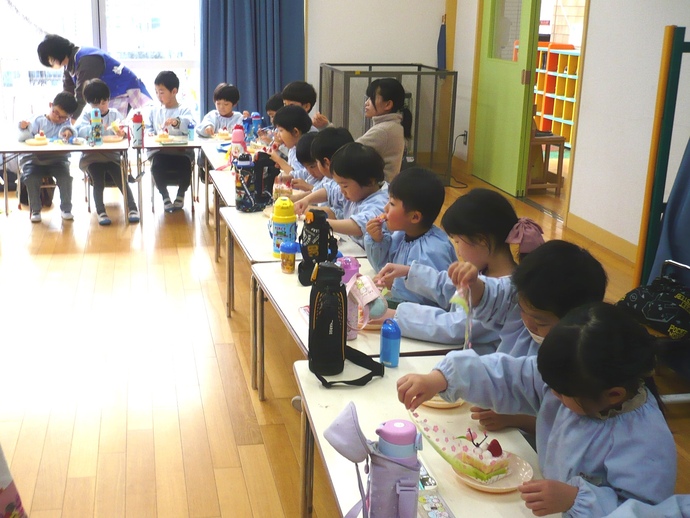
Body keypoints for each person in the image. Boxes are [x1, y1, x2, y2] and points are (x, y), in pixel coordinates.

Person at [397, 302, 677, 517]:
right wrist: (443, 378)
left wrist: (576, 499)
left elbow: (643, 510)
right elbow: (508, 375)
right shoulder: (574, 380)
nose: (551, 394)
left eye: (560, 393)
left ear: (613, 394)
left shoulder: (647, 443)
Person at [376, 188, 543, 350]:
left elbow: (455, 327)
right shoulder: (484, 272)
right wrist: (409, 272)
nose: (458, 251)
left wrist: (396, 315)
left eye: (457, 242)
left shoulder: (509, 297)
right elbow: (452, 286)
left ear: (481, 240)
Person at [364, 167, 457, 306]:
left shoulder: (433, 250)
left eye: (392, 203)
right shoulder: (401, 235)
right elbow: (382, 267)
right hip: (403, 307)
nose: (385, 208)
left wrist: (395, 284)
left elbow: (439, 297)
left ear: (414, 217)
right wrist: (377, 240)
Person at [295, 142, 388, 248]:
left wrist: (321, 223)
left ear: (370, 181)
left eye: (344, 186)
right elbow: (329, 191)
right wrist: (306, 200)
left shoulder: (381, 202)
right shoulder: (357, 191)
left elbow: (358, 226)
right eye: (339, 185)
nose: (341, 191)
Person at [37, 34, 152, 119]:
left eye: (51, 61)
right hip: (108, 97)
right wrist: (60, 111)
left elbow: (81, 96)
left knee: (114, 130)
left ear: (57, 54)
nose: (52, 65)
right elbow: (68, 94)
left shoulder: (86, 59)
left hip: (124, 92)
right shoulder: (69, 64)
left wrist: (70, 122)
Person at [75, 79, 140, 225]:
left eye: (103, 103)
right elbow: (78, 131)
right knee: (98, 181)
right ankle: (101, 211)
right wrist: (92, 128)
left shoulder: (115, 114)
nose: (100, 107)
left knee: (121, 178)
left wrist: (122, 132)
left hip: (112, 157)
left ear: (108, 100)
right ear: (89, 103)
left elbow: (124, 130)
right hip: (93, 158)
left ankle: (133, 208)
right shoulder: (87, 115)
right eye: (95, 104)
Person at [18, 91, 78, 223]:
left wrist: (69, 133)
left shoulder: (65, 124)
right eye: (56, 112)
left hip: (58, 161)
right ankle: (35, 209)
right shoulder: (37, 120)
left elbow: (72, 132)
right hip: (34, 160)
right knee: (31, 178)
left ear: (68, 117)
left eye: (63, 117)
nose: (58, 118)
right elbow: (23, 139)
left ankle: (66, 209)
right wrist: (24, 128)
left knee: (65, 178)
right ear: (51, 105)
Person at [147, 71, 197, 212]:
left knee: (186, 167)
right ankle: (165, 196)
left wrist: (176, 122)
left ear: (174, 91)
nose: (158, 96)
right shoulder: (154, 110)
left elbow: (191, 126)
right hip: (160, 153)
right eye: (156, 92)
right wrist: (150, 132)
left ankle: (181, 195)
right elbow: (149, 127)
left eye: (161, 92)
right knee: (156, 167)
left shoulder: (184, 110)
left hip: (181, 153)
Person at [356, 78, 412, 182]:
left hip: (378, 190)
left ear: (388, 104)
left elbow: (348, 154)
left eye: (371, 98)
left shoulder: (383, 130)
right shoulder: (392, 125)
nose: (366, 103)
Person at [268, 105, 313, 179]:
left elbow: (299, 178)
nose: (278, 135)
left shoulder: (306, 151)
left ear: (295, 132)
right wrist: (283, 165)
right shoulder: (293, 149)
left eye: (281, 130)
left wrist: (279, 160)